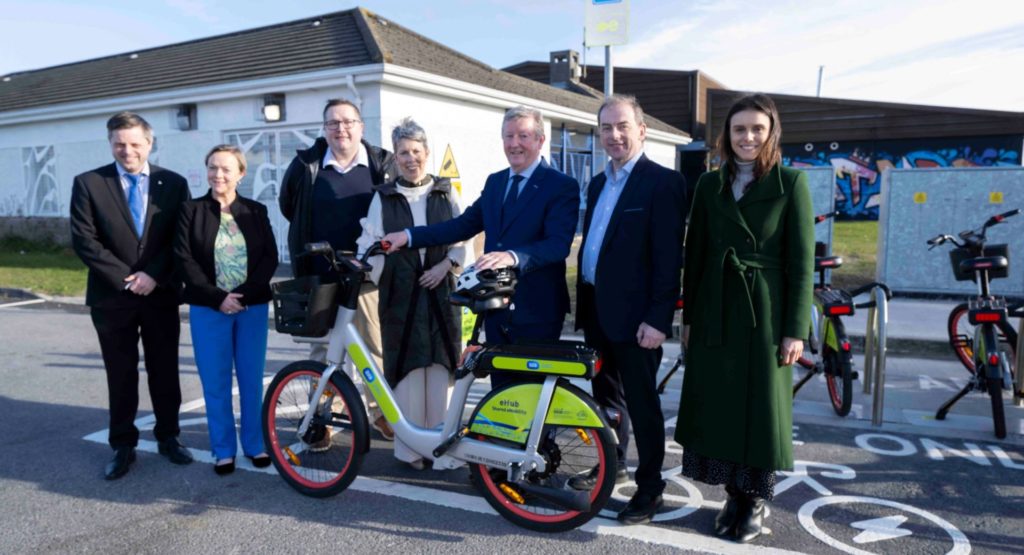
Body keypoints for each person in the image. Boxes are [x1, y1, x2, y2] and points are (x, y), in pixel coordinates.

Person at [676, 93, 814, 543]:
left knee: (760, 410)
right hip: (716, 308)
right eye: (740, 129)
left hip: (766, 314)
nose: (748, 137)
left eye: (757, 128)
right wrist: (690, 317)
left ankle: (752, 500)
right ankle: (731, 496)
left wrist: (796, 329)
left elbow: (802, 262)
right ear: (727, 135)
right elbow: (694, 254)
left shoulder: (791, 183)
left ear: (771, 132)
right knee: (720, 404)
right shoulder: (708, 185)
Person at [381, 106, 578, 390]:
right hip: (497, 308)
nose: (514, 144)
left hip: (538, 310)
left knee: (533, 394)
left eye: (523, 135)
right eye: (508, 136)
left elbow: (557, 245)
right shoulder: (496, 182)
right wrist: (408, 236)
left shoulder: (561, 185)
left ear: (540, 140)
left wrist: (511, 257)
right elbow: (460, 226)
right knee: (503, 394)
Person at [573, 95, 686, 525]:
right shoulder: (599, 183)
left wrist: (659, 319)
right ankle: (612, 463)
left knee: (642, 406)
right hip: (598, 312)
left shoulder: (663, 182)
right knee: (606, 399)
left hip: (639, 321)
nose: (613, 135)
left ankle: (650, 489)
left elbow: (668, 258)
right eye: (605, 128)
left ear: (642, 130)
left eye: (622, 126)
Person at [70, 111, 194, 480]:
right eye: (120, 144)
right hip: (113, 297)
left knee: (164, 370)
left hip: (159, 294)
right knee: (120, 374)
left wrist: (153, 275)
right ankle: (123, 445)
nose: (128, 151)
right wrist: (128, 279)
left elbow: (180, 240)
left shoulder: (173, 183)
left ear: (149, 143)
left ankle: (169, 437)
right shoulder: (89, 183)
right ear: (110, 143)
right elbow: (84, 240)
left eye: (135, 143)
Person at [279, 98, 396, 440]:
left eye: (347, 122)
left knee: (375, 348)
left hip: (366, 275)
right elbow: (290, 207)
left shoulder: (380, 164)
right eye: (332, 123)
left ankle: (381, 414)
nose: (340, 129)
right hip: (321, 275)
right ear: (324, 129)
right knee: (324, 351)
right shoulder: (306, 165)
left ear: (361, 126)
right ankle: (326, 418)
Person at [357, 118, 470, 470]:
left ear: (427, 153)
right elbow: (370, 244)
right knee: (406, 371)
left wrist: (446, 267)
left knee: (440, 370)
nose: (411, 158)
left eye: (416, 151)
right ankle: (410, 451)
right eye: (403, 152)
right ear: (396, 156)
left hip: (440, 294)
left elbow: (463, 238)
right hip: (401, 298)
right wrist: (391, 274)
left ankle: (443, 453)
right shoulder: (384, 197)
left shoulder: (444, 191)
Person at [175, 145, 278, 475]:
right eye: (212, 168)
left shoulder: (256, 211)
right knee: (215, 382)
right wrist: (217, 296)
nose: (218, 175)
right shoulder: (190, 211)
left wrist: (243, 295)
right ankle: (223, 450)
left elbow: (269, 258)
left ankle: (255, 444)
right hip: (209, 308)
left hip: (251, 308)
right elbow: (184, 259)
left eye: (225, 169)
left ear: (241, 174)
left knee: (250, 381)